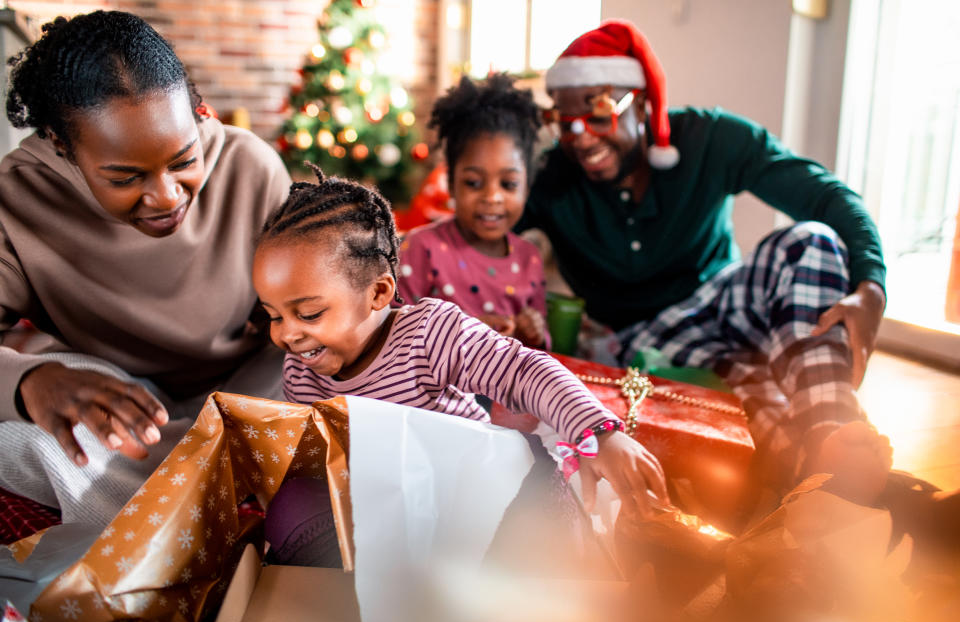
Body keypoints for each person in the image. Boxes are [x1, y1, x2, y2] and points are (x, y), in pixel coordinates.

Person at [516, 19, 892, 504]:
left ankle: (832, 427)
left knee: (810, 241)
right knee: (764, 411)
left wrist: (872, 285)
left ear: (645, 102)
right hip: (641, 341)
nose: (581, 138)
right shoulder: (551, 177)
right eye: (565, 123)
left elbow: (827, 198)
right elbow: (470, 227)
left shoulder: (711, 138)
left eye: (599, 115)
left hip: (725, 299)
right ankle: (836, 486)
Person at [0, 11, 291, 527]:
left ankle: (179, 494)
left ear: (197, 115)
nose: (166, 196)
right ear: (62, 146)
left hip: (243, 387)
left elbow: (304, 316)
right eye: (126, 177)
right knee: (16, 433)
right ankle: (211, 487)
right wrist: (32, 382)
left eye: (183, 160)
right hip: (117, 396)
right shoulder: (16, 197)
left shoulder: (250, 168)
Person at [252, 165, 668, 517]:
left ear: (378, 294)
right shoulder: (301, 371)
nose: (286, 334)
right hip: (402, 511)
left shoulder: (429, 334)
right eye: (273, 315)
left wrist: (601, 433)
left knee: (545, 510)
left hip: (485, 494)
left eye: (308, 314)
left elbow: (523, 370)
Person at [397, 73, 548, 349]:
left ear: (527, 187)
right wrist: (467, 330)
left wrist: (533, 332)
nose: (492, 197)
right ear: (451, 183)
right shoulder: (421, 248)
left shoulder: (530, 259)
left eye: (508, 184)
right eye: (473, 183)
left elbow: (538, 350)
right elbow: (393, 335)